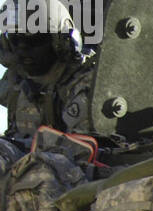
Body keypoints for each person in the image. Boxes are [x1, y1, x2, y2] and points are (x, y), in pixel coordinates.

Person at [0, 0, 95, 137]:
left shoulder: (84, 82)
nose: (23, 48)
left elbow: (80, 151)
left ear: (61, 42)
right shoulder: (17, 79)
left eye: (34, 38)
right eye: (15, 39)